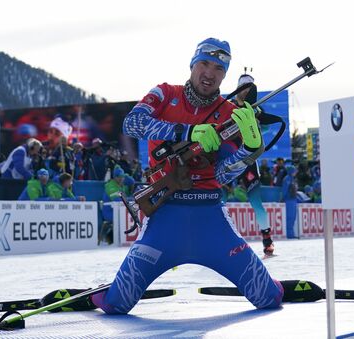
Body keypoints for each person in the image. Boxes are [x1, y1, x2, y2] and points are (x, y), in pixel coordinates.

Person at [88, 38, 285, 315]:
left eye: (219, 68)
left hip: (211, 218)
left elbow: (222, 174)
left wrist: (250, 150)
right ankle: (101, 292)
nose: (210, 72)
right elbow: (131, 123)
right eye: (204, 63)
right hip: (164, 218)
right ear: (193, 64)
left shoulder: (230, 113)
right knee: (116, 304)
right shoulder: (165, 94)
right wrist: (186, 132)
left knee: (269, 297)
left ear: (225, 74)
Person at [231, 73, 274, 255]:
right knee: (217, 198)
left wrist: (257, 122)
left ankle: (267, 239)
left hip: (248, 160)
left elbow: (267, 127)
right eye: (245, 87)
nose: (249, 91)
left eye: (251, 87)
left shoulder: (255, 108)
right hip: (227, 158)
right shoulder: (228, 106)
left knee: (256, 201)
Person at [281, 165, 299, 238]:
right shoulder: (287, 179)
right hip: (289, 200)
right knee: (289, 217)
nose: (296, 172)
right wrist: (283, 198)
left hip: (293, 200)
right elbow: (284, 190)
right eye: (294, 171)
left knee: (293, 217)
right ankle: (289, 234)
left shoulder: (292, 179)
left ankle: (291, 233)